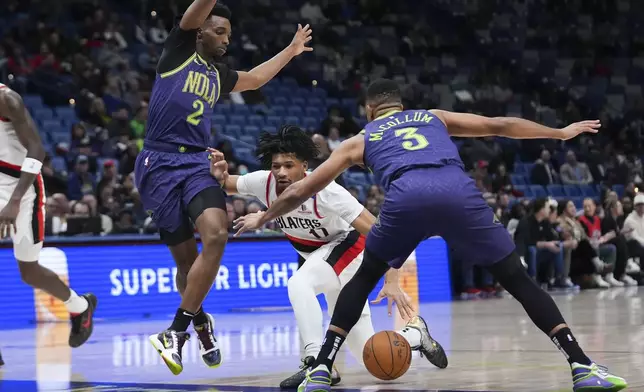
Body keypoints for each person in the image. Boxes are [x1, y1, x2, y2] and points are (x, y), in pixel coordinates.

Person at [232, 79, 627, 392]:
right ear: (401, 104)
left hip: (406, 200)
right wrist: (559, 133)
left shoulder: (362, 138)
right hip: (458, 193)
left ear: (369, 110)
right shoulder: (433, 116)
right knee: (519, 281)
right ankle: (581, 366)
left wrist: (264, 217)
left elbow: (301, 189)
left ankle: (319, 369)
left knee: (363, 278)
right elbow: (498, 125)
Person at [134, 0, 313, 375]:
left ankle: (176, 329)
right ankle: (200, 324)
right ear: (200, 30)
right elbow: (195, 10)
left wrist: (290, 50)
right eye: (219, 31)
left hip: (197, 162)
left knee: (216, 235)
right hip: (159, 165)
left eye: (229, 34)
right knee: (186, 264)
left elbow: (257, 78)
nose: (226, 40)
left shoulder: (219, 76)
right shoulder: (178, 51)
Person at [209, 125, 447, 388]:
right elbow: (229, 184)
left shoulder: (327, 191)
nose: (282, 172)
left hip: (348, 247)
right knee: (372, 357)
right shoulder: (263, 182)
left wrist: (391, 279)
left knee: (299, 284)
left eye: (289, 165)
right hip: (323, 259)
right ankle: (415, 334)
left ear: (304, 166)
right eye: (276, 166)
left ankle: (315, 362)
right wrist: (220, 176)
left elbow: (382, 233)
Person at [0, 84, 97, 354]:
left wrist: (14, 201)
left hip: (22, 188)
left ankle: (80, 307)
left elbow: (37, 151)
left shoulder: (8, 100)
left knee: (29, 272)